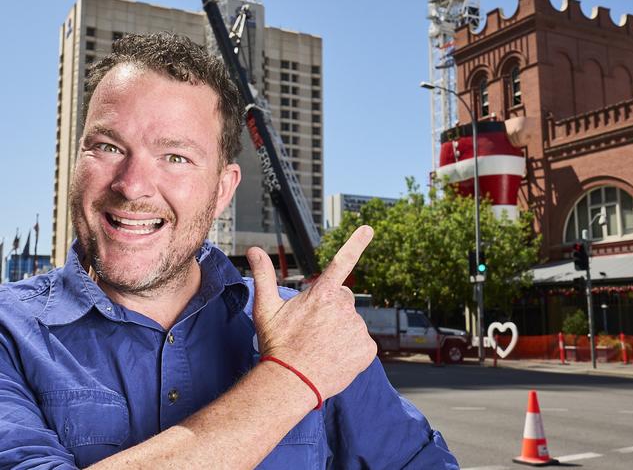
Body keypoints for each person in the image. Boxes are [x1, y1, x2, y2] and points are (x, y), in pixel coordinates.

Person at [0, 32, 459, 469]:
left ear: (222, 190)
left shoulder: (309, 328)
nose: (132, 185)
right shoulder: (10, 334)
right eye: (107, 146)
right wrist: (289, 379)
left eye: (175, 156)